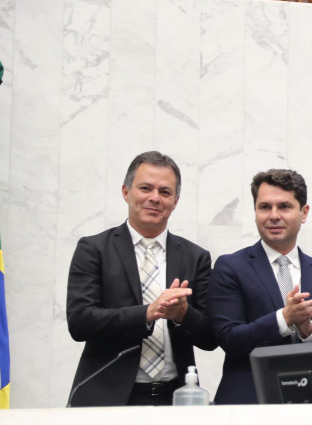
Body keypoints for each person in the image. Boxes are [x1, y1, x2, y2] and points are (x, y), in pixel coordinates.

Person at [67, 151, 215, 407]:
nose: (155, 198)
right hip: (106, 397)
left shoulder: (196, 256)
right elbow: (80, 322)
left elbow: (211, 337)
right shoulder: (94, 249)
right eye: (146, 188)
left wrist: (183, 315)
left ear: (176, 201)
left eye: (165, 192)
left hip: (176, 397)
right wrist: (147, 313)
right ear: (126, 192)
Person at [208, 169, 312, 404]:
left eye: (284, 206)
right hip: (248, 401)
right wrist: (284, 318)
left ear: (304, 212)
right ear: (255, 212)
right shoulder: (230, 267)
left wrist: (307, 328)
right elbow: (228, 338)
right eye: (264, 207)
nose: (273, 215)